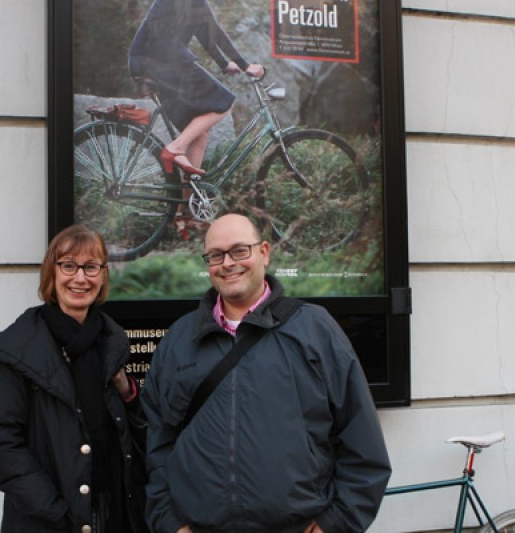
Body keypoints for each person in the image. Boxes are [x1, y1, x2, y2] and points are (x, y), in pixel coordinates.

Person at [142, 213, 391, 533]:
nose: (228, 263)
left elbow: (363, 442)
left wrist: (336, 523)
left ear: (264, 252)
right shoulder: (179, 339)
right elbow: (157, 443)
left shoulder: (315, 329)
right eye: (216, 255)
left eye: (239, 250)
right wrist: (169, 522)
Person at [0, 224, 148, 533]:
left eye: (91, 267)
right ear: (51, 273)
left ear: (103, 274)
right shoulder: (20, 349)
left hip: (114, 515)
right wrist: (54, 510)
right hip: (50, 521)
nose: (80, 278)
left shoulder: (112, 342)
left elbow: (131, 436)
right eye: (69, 266)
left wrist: (128, 395)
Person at [128, 0, 265, 176]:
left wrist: (224, 64)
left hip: (147, 63)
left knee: (198, 135)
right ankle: (175, 148)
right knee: (224, 102)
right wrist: (245, 66)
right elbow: (214, 34)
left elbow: (207, 33)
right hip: (164, 63)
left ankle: (186, 203)